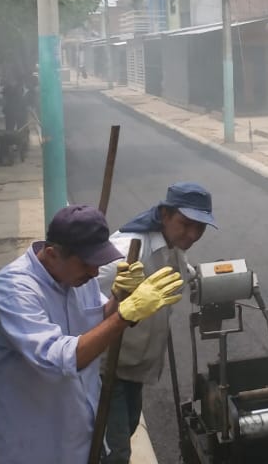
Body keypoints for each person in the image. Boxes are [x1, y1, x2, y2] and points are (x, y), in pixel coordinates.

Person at [0, 205, 184, 464]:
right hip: (32, 441)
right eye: (87, 264)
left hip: (77, 431)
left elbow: (94, 323)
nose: (95, 273)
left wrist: (118, 300)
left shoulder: (76, 280)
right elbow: (58, 359)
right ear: (52, 255)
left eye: (98, 263)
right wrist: (125, 316)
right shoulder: (14, 290)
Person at [96, 183, 216, 464]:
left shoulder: (171, 246)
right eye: (185, 224)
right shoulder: (127, 250)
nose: (193, 235)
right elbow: (78, 301)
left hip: (133, 368)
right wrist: (120, 300)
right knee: (116, 453)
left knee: (123, 435)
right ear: (164, 214)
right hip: (106, 371)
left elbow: (183, 272)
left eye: (200, 228)